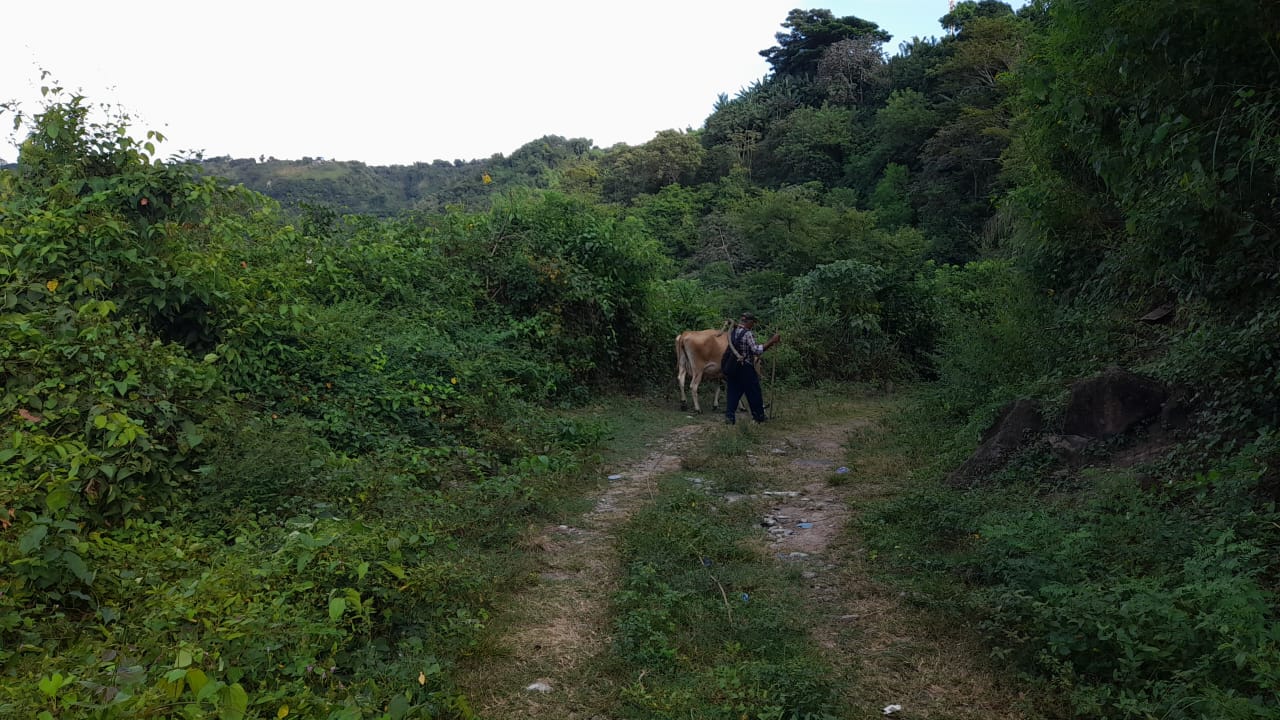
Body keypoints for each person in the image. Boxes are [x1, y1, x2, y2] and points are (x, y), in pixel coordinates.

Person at [722, 312, 780, 425]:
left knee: (733, 392)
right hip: (745, 368)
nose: (753, 325)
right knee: (754, 391)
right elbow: (756, 350)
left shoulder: (734, 331)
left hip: (733, 367)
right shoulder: (747, 333)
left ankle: (729, 417)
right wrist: (772, 341)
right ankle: (758, 417)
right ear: (749, 322)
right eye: (753, 322)